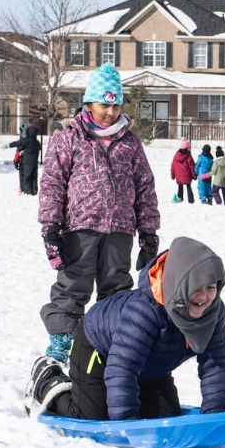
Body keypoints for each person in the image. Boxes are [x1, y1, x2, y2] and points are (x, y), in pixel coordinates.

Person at [25, 237, 225, 420]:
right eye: (196, 287)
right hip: (98, 346)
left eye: (211, 287)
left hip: (148, 363)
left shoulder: (213, 313)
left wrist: (217, 413)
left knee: (165, 416)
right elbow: (122, 366)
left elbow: (216, 363)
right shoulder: (144, 312)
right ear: (179, 284)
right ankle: (47, 380)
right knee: (93, 414)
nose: (204, 297)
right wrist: (126, 421)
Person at [37, 63, 161, 365]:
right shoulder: (68, 137)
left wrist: (148, 231)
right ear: (89, 103)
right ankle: (63, 341)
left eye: (116, 104)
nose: (111, 111)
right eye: (105, 104)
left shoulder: (130, 142)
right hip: (79, 228)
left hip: (120, 229)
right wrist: (50, 226)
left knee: (117, 287)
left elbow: (144, 185)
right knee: (72, 285)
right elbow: (53, 182)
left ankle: (110, 342)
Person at [9, 124, 41, 195]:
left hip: (26, 162)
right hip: (34, 162)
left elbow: (17, 144)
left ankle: (27, 191)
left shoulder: (26, 141)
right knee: (34, 177)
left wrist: (8, 145)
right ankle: (34, 191)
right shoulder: (37, 142)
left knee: (26, 176)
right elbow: (38, 149)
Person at [170, 138, 196, 203]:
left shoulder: (176, 156)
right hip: (187, 176)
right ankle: (191, 200)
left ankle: (180, 198)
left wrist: (173, 175)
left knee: (180, 187)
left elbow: (173, 166)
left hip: (178, 176)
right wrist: (194, 176)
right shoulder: (188, 157)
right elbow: (192, 167)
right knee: (188, 187)